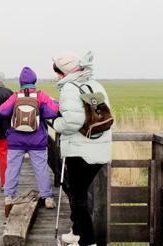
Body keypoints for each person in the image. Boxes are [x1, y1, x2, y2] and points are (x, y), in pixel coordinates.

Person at [53, 51, 112, 246]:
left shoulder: (70, 88)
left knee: (78, 197)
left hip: (80, 152)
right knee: (78, 192)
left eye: (58, 71)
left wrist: (56, 123)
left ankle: (88, 242)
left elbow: (72, 122)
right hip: (99, 150)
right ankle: (76, 232)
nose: (56, 75)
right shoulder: (95, 85)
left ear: (64, 72)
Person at [0, 67, 58, 209]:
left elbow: (2, 111)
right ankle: (47, 197)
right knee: (41, 168)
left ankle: (8, 196)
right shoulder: (40, 95)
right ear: (34, 80)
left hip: (16, 140)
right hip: (37, 139)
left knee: (12, 168)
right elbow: (53, 111)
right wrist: (54, 103)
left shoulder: (15, 96)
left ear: (20, 82)